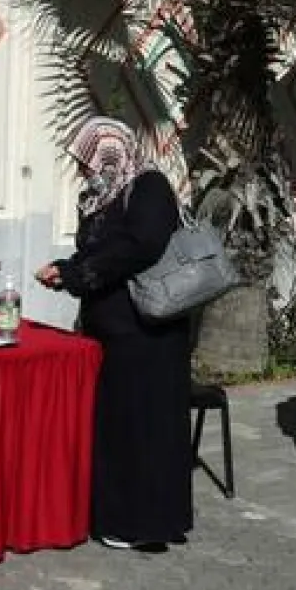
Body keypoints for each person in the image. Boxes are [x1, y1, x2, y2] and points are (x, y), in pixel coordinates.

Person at [36, 117, 192, 553]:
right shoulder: (102, 197)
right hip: (114, 330)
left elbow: (140, 247)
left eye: (90, 159)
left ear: (111, 152)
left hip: (146, 333)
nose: (85, 170)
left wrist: (77, 274)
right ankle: (122, 515)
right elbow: (100, 250)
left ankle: (143, 523)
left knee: (143, 428)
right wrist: (65, 269)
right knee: (119, 426)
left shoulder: (147, 187)